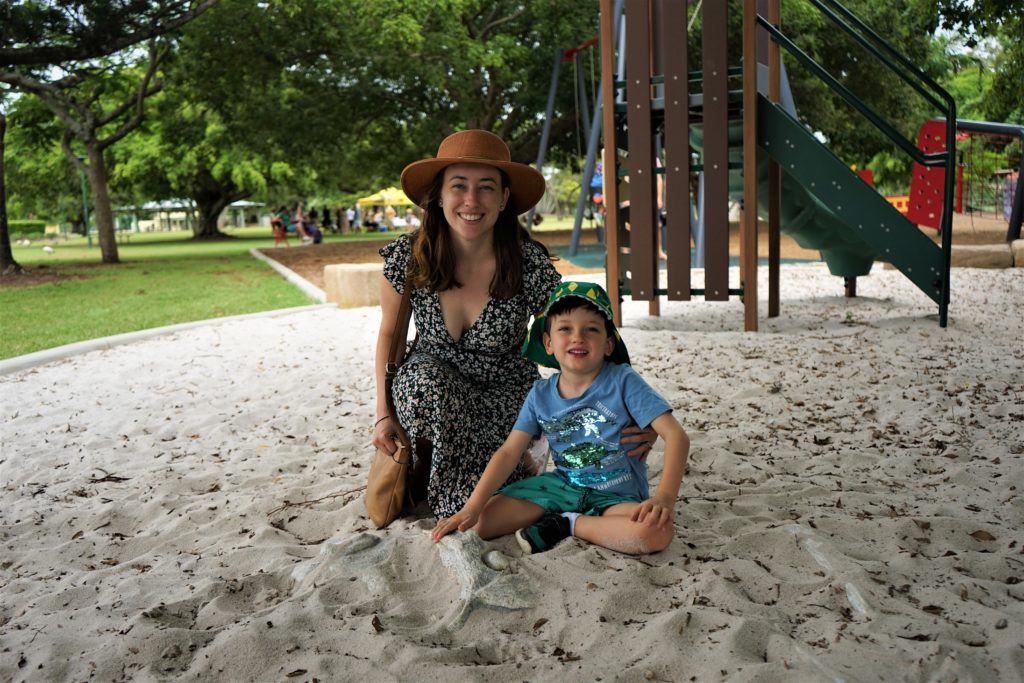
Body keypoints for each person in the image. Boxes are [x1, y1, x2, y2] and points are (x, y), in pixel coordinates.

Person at [372, 130, 658, 519]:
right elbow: (390, 335)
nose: (472, 201)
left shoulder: (527, 264)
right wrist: (383, 413)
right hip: (432, 387)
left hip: (506, 395)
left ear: (504, 198)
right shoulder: (408, 257)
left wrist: (639, 412)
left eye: (486, 187)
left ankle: (484, 475)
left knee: (498, 503)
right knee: (425, 384)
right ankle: (440, 473)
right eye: (459, 186)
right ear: (439, 195)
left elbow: (581, 328)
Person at [432, 281, 689, 554]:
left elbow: (676, 437)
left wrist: (664, 498)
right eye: (565, 328)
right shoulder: (540, 393)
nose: (578, 337)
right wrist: (470, 508)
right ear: (548, 342)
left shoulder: (623, 380)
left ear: (608, 344)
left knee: (654, 533)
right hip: (561, 487)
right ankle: (562, 517)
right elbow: (509, 452)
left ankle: (569, 524)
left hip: (615, 497)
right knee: (479, 523)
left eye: (591, 329)